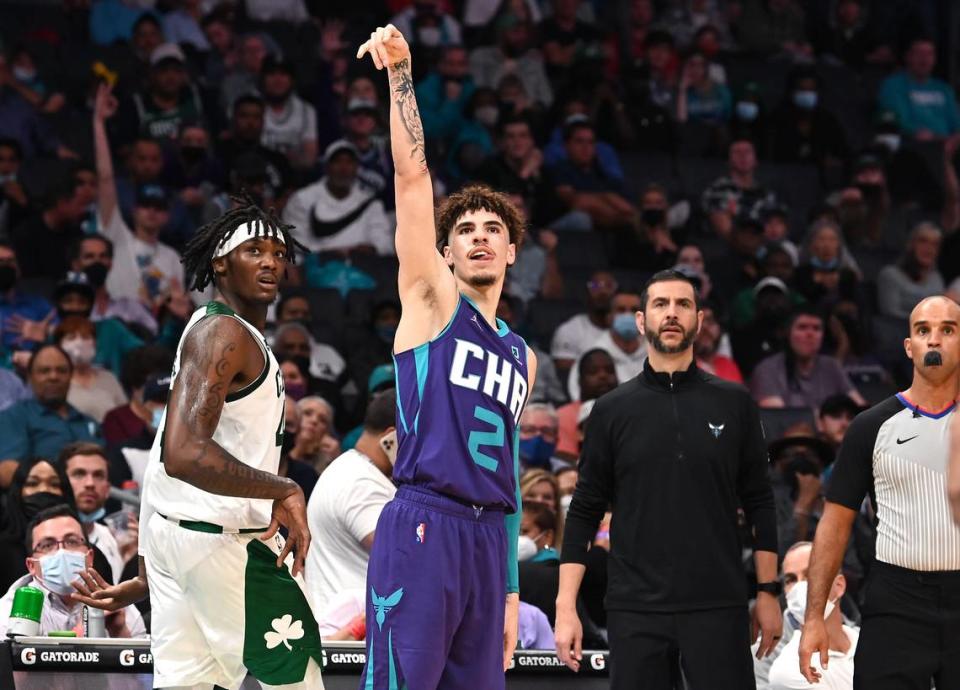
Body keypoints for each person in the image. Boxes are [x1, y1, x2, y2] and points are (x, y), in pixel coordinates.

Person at [356, 24, 537, 688]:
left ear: (512, 251)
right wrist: (401, 74)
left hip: (490, 544)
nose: (481, 238)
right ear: (449, 253)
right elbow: (411, 178)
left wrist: (513, 590)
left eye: (494, 230)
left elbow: (512, 475)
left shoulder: (523, 355)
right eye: (465, 231)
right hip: (425, 522)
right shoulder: (432, 300)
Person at [98, 197, 323, 688]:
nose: (270, 261)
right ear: (220, 263)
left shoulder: (212, 331)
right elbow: (183, 453)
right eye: (254, 250)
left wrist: (147, 565)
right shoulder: (224, 333)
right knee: (298, 678)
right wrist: (281, 488)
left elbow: (162, 451)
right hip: (225, 545)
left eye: (278, 253)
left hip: (176, 537)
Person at [555, 269, 782, 689]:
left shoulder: (735, 402)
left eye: (682, 304)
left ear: (700, 319)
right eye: (660, 304)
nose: (672, 313)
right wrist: (566, 606)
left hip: (719, 602)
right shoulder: (610, 410)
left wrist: (768, 592)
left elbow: (760, 502)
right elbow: (585, 509)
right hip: (634, 607)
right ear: (642, 320)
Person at [799, 296, 960, 687]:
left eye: (947, 330)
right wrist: (813, 618)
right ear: (909, 346)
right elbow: (835, 524)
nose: (933, 340)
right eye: (923, 330)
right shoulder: (870, 426)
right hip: (897, 600)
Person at [304, 389, 396, 621]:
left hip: (349, 632)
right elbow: (406, 559)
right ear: (392, 439)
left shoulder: (349, 468)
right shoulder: (362, 484)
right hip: (351, 639)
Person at [93, 83, 185, 310]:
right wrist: (98, 123)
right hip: (121, 325)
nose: (152, 212)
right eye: (146, 206)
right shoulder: (117, 238)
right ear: (134, 210)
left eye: (159, 207)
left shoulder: (172, 258)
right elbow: (105, 178)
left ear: (167, 216)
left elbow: (176, 303)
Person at [0, 504, 146, 638]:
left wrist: (120, 633)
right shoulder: (10, 609)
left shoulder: (118, 604)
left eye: (72, 541)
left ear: (89, 558)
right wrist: (79, 639)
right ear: (31, 565)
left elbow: (144, 664)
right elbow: (9, 665)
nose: (61, 552)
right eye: (47, 545)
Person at [0, 345, 101, 486]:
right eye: (44, 371)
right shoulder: (15, 416)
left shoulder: (89, 422)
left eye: (61, 370)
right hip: (42, 502)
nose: (53, 376)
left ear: (71, 375)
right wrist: (54, 483)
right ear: (30, 377)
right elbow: (6, 471)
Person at [282, 139, 392, 257]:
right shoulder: (302, 199)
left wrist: (372, 249)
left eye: (349, 162)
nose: (343, 168)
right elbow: (295, 244)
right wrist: (333, 254)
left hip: (362, 269)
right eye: (337, 161)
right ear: (327, 167)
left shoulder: (370, 203)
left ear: (356, 168)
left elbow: (385, 244)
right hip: (315, 268)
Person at [750, 309, 866, 410]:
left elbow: (860, 407)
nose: (810, 334)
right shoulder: (767, 369)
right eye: (802, 327)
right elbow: (779, 418)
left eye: (816, 328)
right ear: (787, 333)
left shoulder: (831, 365)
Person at [0, 458, 77, 591]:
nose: (43, 490)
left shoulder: (85, 552)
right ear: (17, 492)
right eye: (32, 483)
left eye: (54, 484)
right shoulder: (3, 550)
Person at [61, 442, 128, 584]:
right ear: (61, 483)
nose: (90, 483)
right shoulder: (45, 541)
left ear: (107, 489)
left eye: (98, 475)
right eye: (79, 474)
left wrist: (131, 560)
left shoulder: (117, 541)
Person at [567, 288, 647, 400]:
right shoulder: (591, 356)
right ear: (609, 317)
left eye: (634, 310)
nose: (628, 315)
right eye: (621, 310)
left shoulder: (657, 353)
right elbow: (581, 401)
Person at [878, 36, 960, 140]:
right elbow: (898, 122)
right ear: (908, 57)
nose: (924, 59)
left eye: (929, 54)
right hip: (915, 145)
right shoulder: (893, 85)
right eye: (919, 53)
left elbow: (956, 124)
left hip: (948, 146)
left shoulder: (944, 89)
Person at [55, 316, 127, 423]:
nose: (79, 343)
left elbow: (126, 416)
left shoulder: (108, 378)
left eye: (85, 337)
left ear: (95, 343)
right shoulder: (55, 382)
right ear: (59, 346)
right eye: (71, 338)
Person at [550, 269, 617, 378]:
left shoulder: (633, 331)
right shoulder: (569, 331)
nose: (602, 291)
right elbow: (567, 378)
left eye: (608, 286)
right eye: (595, 286)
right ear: (586, 292)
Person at [876, 222, 945, 320]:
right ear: (910, 244)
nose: (929, 249)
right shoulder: (890, 275)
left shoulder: (936, 278)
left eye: (934, 244)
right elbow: (890, 315)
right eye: (923, 241)